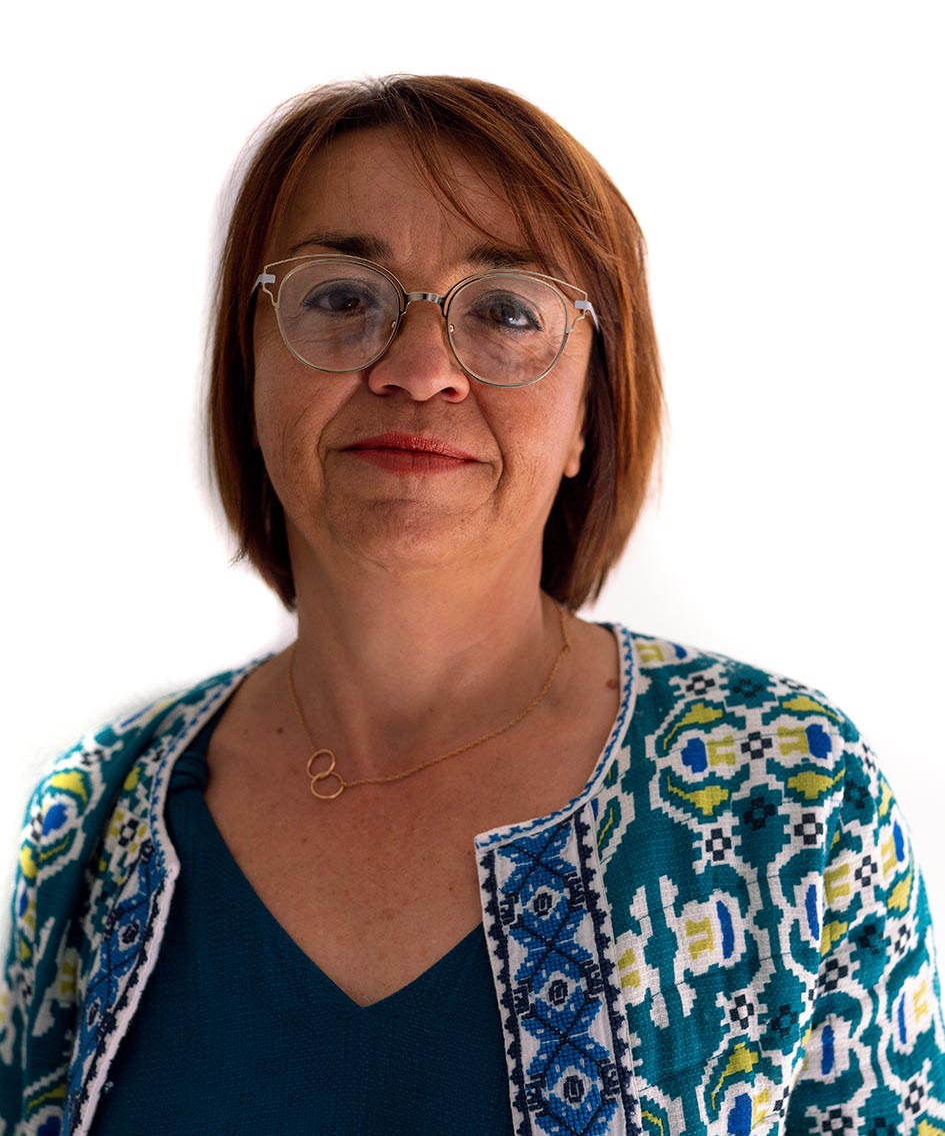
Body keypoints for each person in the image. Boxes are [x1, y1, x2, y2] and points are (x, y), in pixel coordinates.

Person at [2, 75, 943, 1136]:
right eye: (341, 298)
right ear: (247, 367)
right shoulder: (91, 818)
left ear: (587, 412)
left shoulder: (791, 792)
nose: (418, 369)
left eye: (505, 310)